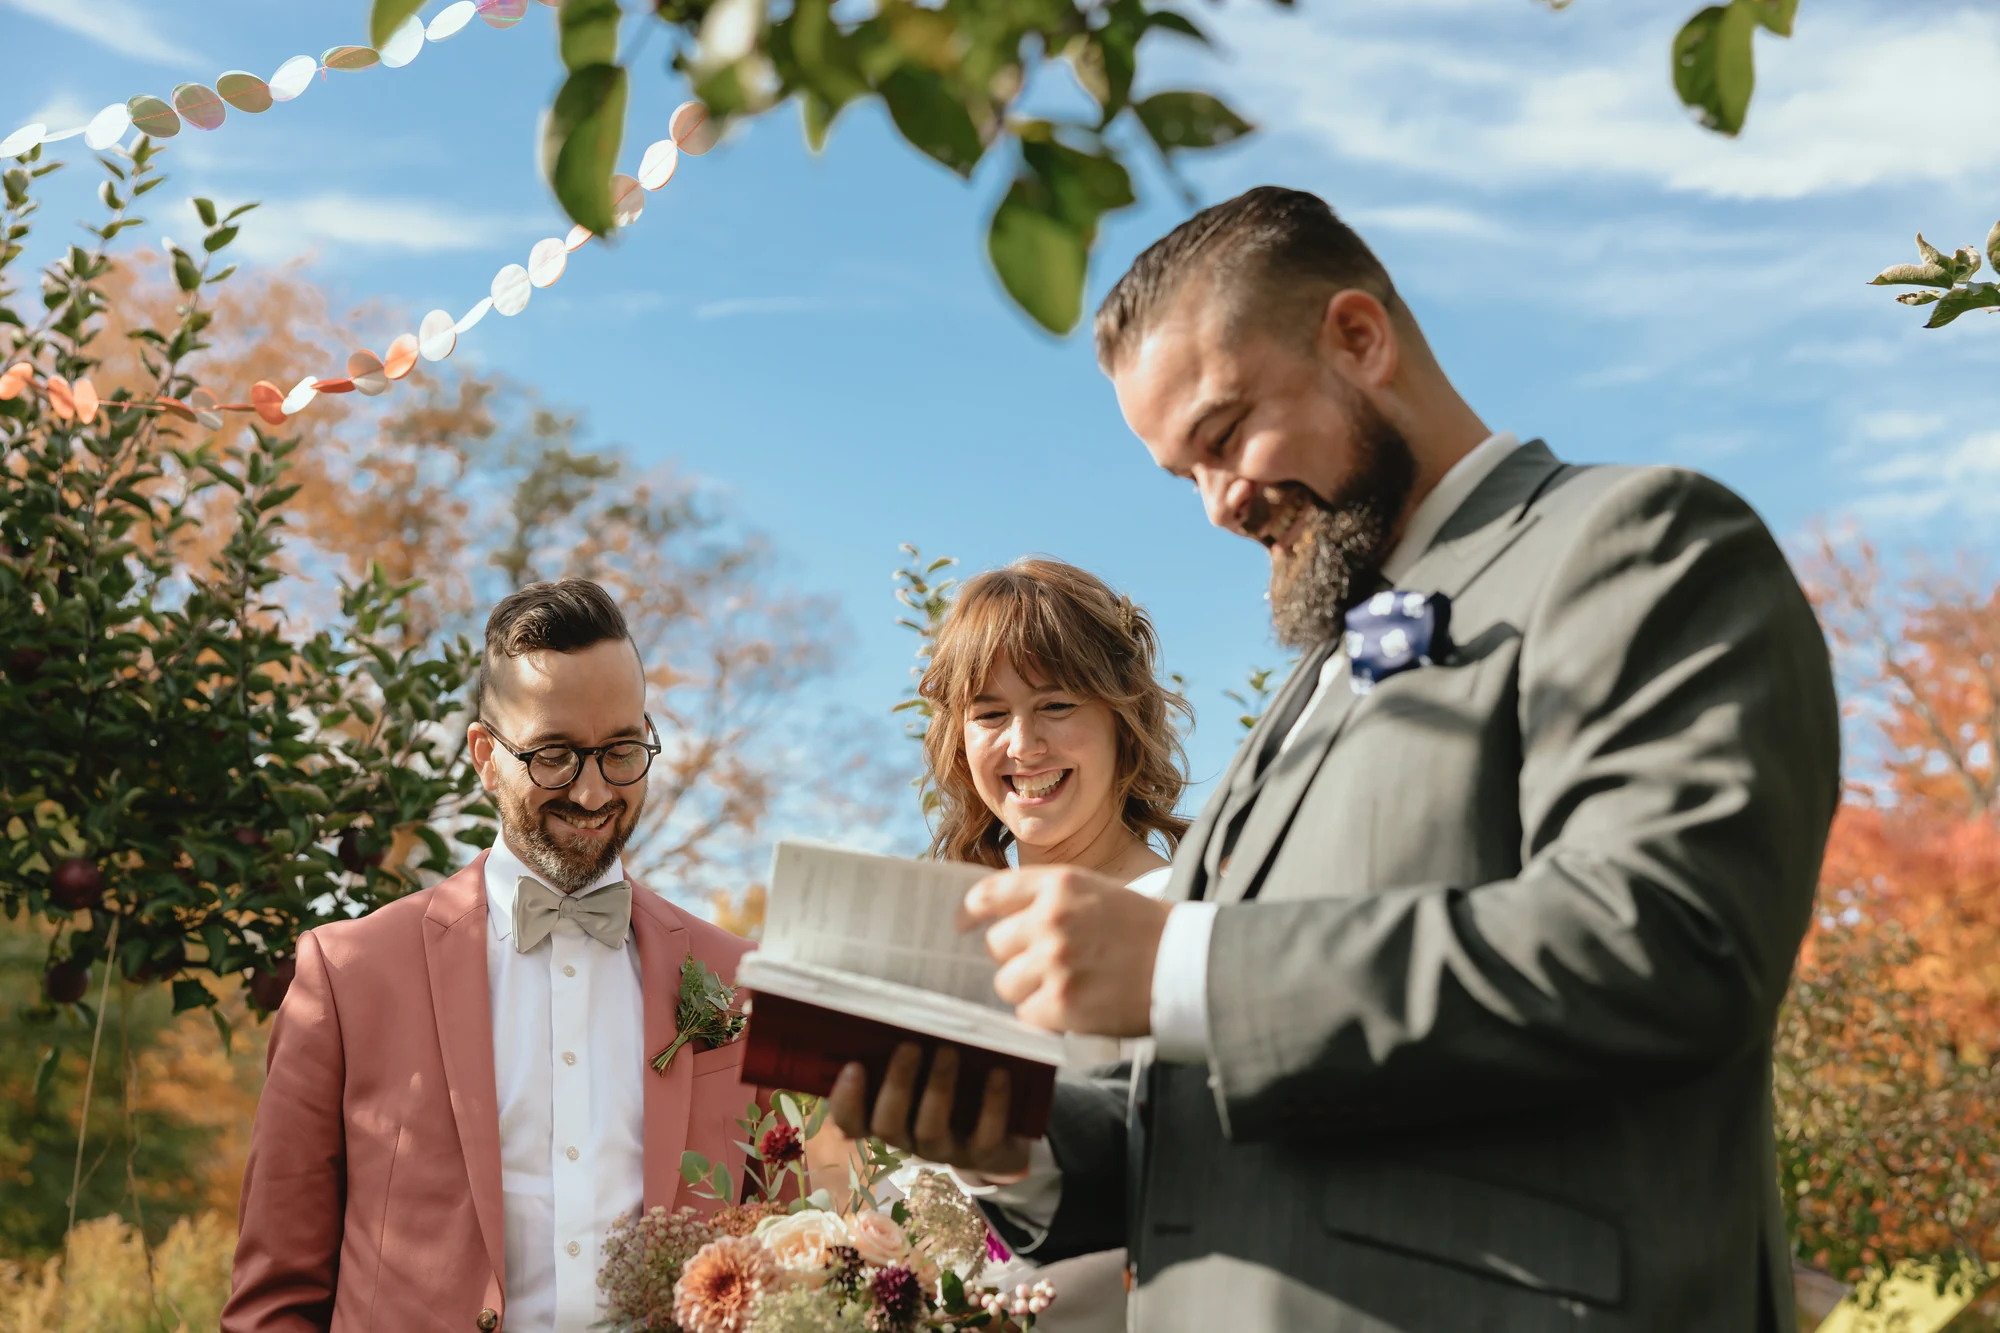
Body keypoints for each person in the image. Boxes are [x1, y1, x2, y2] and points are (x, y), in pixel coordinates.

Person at [828, 186, 1842, 1331]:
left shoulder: (1639, 546)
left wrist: (1177, 967)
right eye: (1182, 474)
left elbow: (1664, 938)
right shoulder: (1310, 686)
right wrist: (1015, 1140)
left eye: (1223, 436)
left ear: (1358, 338)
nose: (1217, 503)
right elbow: (1203, 1116)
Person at [225, 580, 763, 1333]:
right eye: (553, 755)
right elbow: (274, 1300)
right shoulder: (346, 975)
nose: (592, 788)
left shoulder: (745, 981)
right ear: (485, 755)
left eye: (620, 750)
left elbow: (786, 1256)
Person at [811, 557, 1193, 1332]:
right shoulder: (930, 934)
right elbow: (843, 1167)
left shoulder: (1185, 918)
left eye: (1056, 703)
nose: (1024, 743)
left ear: (1125, 716)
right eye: (989, 714)